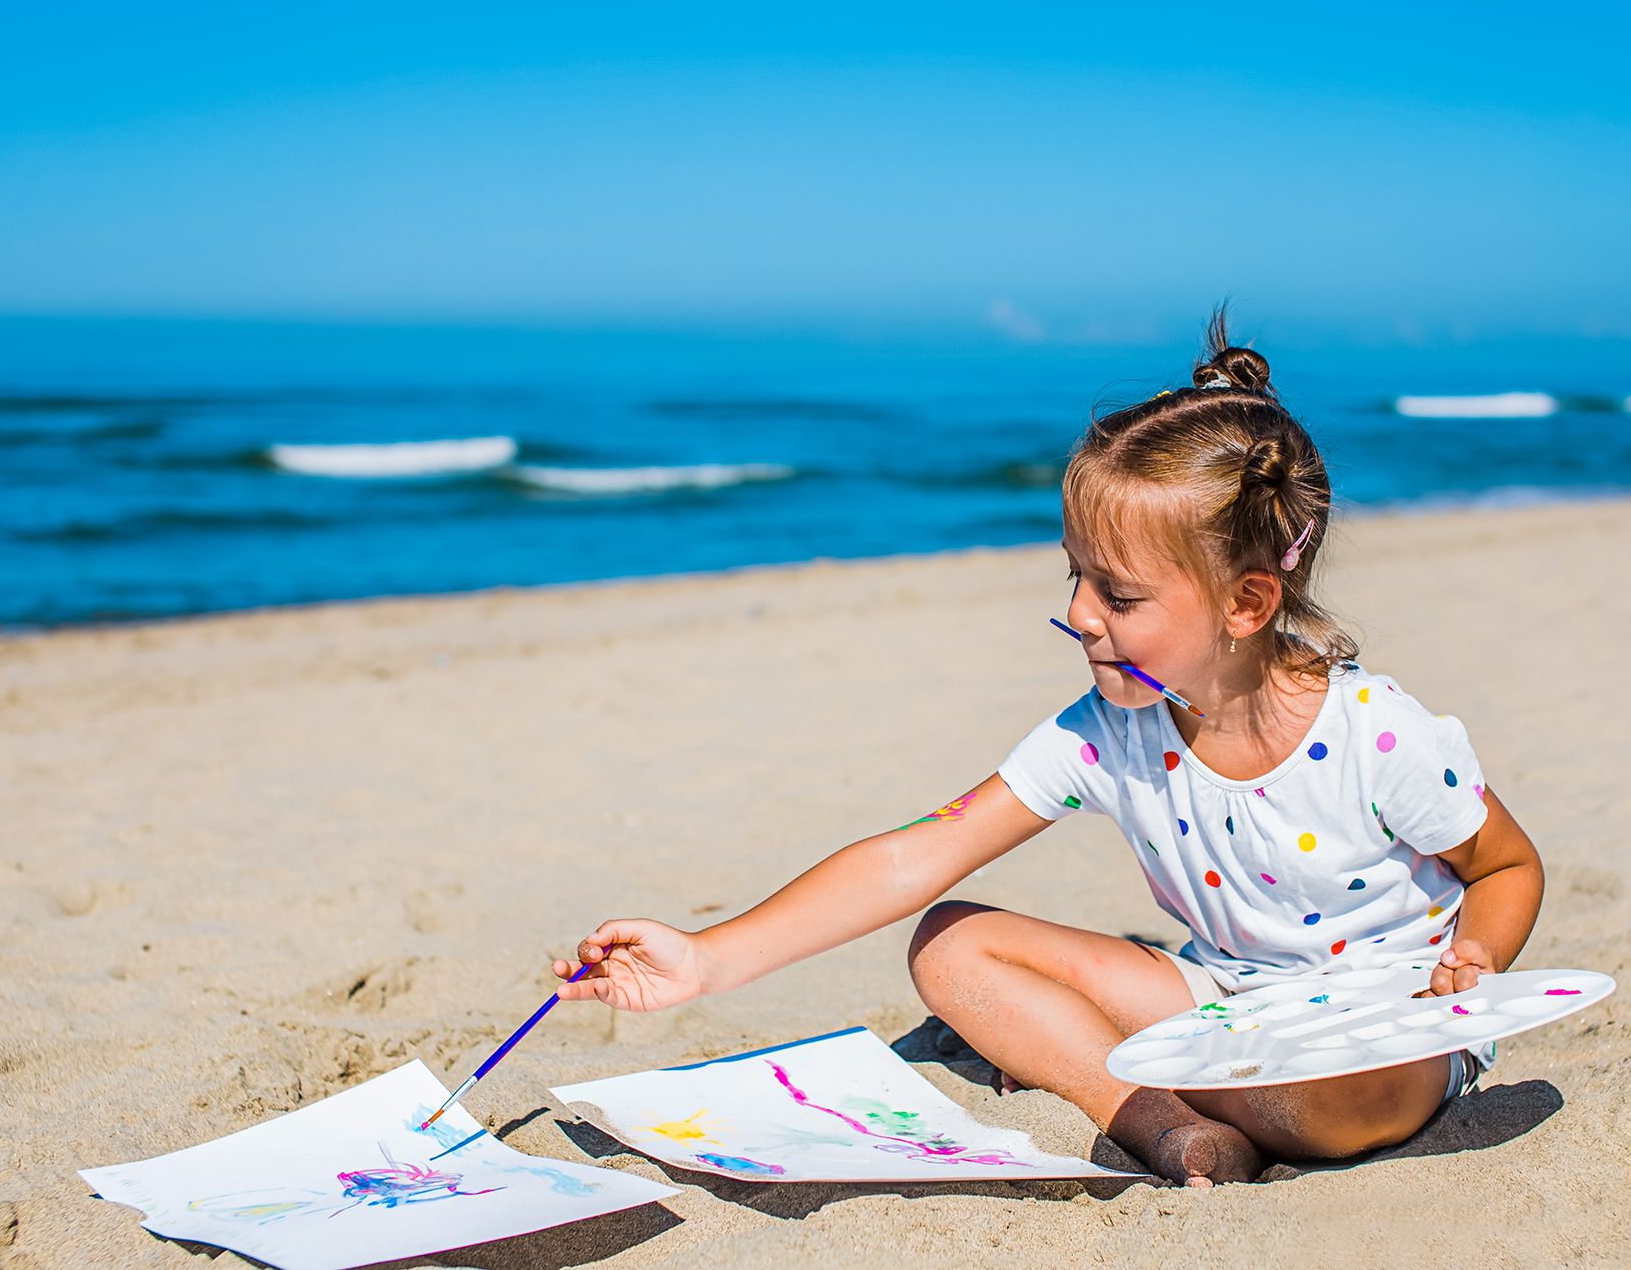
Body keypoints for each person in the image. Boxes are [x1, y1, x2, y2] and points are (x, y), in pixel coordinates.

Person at [552, 307, 1545, 1186]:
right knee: (952, 941)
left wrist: (1475, 954)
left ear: (1246, 602)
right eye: (1075, 574)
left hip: (1381, 1030)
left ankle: (1149, 1076)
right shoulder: (1109, 729)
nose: (1076, 613)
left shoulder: (1373, 732)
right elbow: (921, 851)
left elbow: (1504, 863)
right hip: (1220, 998)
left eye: (1116, 594)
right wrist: (706, 958)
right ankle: (1156, 1122)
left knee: (1322, 1107)